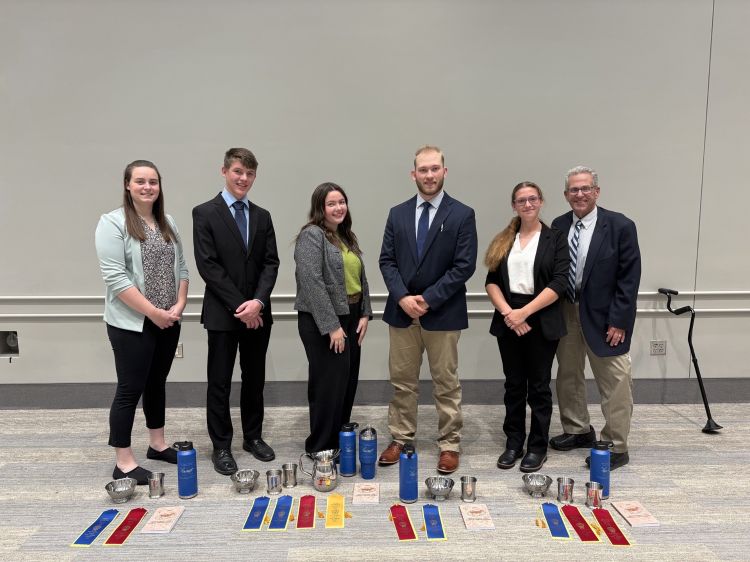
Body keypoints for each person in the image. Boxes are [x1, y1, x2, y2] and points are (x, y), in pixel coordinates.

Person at [378, 145, 477, 474]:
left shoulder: (462, 214)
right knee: (402, 382)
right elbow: (386, 261)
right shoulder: (397, 213)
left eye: (435, 169)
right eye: (423, 169)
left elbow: (463, 267)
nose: (429, 175)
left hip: (443, 313)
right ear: (413, 174)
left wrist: (428, 299)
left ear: (444, 172)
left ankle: (449, 443)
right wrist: (404, 297)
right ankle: (401, 438)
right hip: (402, 312)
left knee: (446, 383)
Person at [95, 160, 189, 485]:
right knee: (129, 389)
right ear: (127, 185)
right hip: (132, 324)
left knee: (156, 383)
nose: (148, 187)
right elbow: (116, 279)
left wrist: (179, 304)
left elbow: (183, 269)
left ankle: (157, 444)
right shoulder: (113, 223)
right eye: (140, 181)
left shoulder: (168, 222)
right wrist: (153, 312)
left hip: (168, 319)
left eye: (153, 181)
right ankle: (123, 461)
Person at [192, 148, 280, 475]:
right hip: (222, 313)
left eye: (250, 174)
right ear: (225, 171)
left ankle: (252, 437)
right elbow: (208, 266)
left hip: (258, 314)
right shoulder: (204, 213)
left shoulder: (262, 216)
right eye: (238, 171)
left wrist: (257, 302)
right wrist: (240, 305)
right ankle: (221, 445)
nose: (244, 179)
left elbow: (271, 263)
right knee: (220, 382)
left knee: (254, 379)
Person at [550, 166, 641, 470]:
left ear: (597, 191)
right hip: (567, 311)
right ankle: (577, 429)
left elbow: (629, 279)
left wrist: (620, 320)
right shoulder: (558, 225)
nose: (580, 194)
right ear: (566, 195)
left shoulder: (620, 225)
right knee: (569, 374)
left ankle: (616, 445)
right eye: (573, 190)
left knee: (615, 380)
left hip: (606, 317)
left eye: (585, 188)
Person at [484, 182, 568, 473]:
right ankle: (514, 442)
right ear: (514, 205)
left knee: (540, 388)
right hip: (509, 319)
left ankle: (537, 447)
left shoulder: (555, 238)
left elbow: (559, 283)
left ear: (541, 202)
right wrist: (510, 313)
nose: (528, 204)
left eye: (533, 199)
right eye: (521, 200)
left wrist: (525, 313)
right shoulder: (504, 239)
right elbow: (491, 282)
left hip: (541, 318)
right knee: (514, 386)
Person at [294, 182, 373, 452]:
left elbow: (360, 278)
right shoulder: (311, 236)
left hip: (351, 316)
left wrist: (364, 313)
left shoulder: (346, 236)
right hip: (323, 321)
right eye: (331, 203)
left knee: (346, 382)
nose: (338, 207)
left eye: (342, 201)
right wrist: (332, 327)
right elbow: (311, 281)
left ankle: (340, 440)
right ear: (320, 208)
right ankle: (320, 447)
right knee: (328, 386)